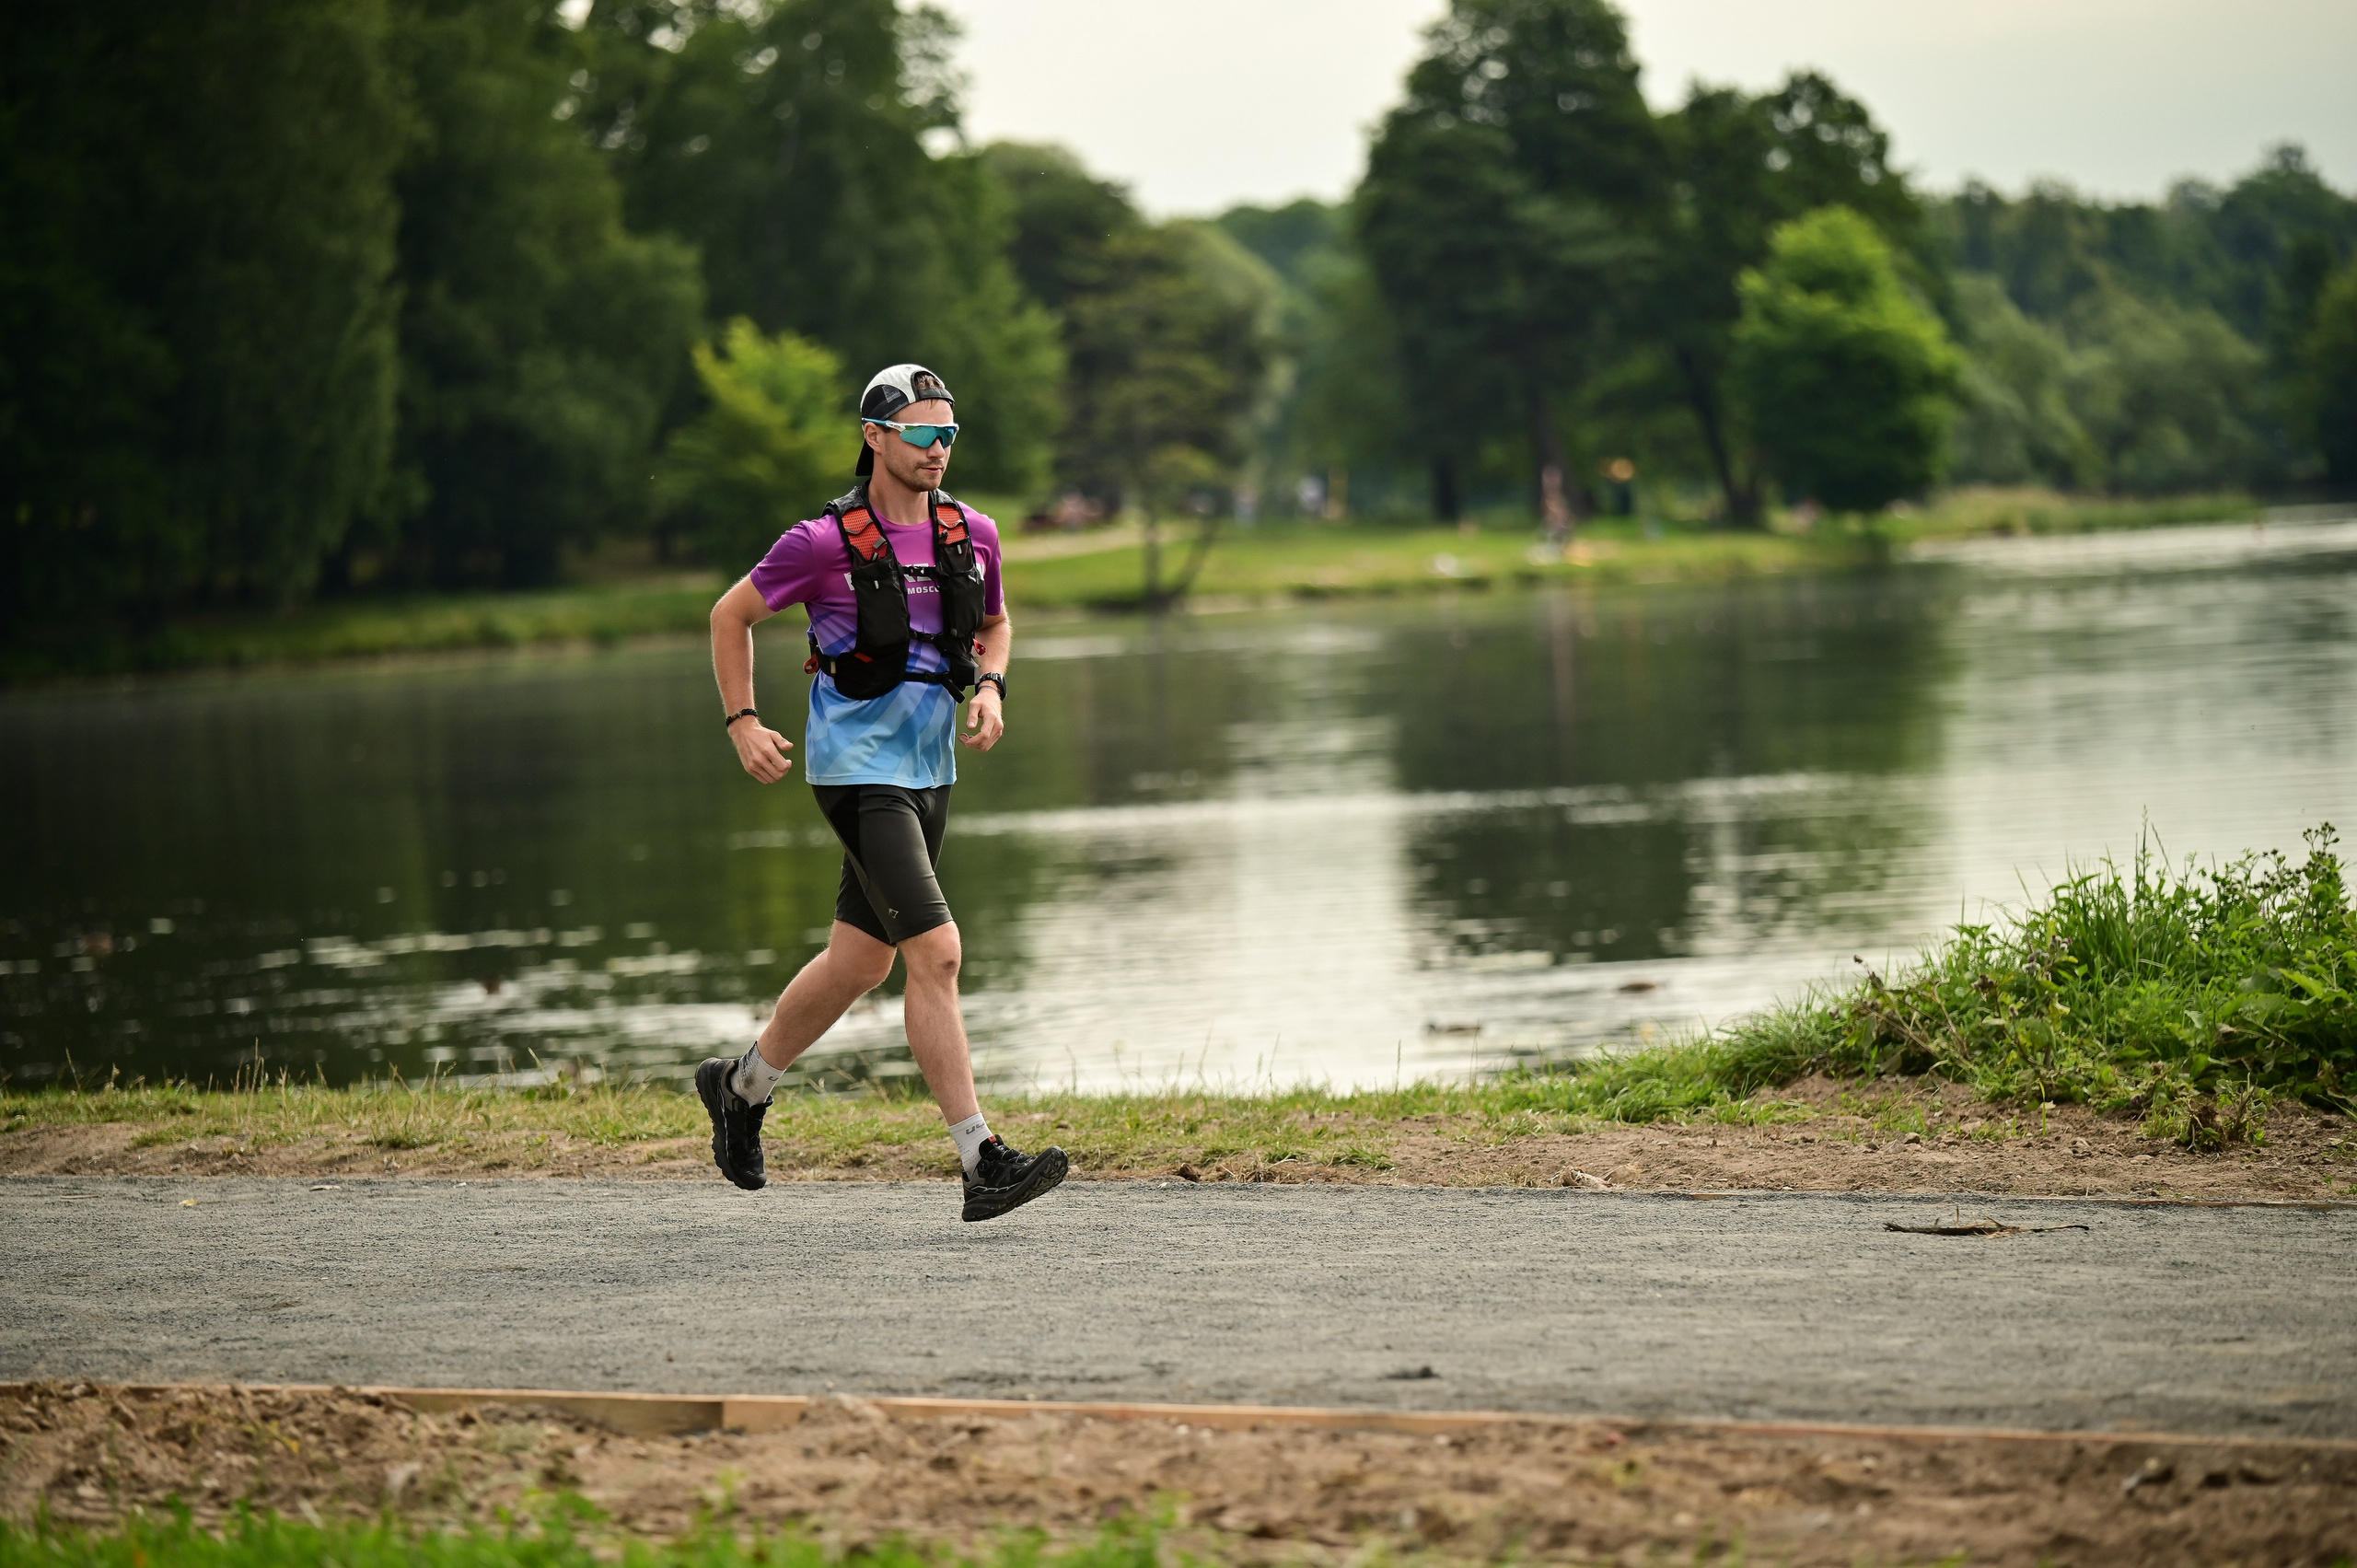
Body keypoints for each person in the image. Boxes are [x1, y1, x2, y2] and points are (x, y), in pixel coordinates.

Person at [698, 364, 1067, 1222]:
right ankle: (981, 1159)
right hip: (857, 774)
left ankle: (741, 1087)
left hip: (931, 769)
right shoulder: (821, 543)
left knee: (861, 961)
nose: (939, 450)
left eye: (949, 436)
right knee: (935, 952)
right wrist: (743, 720)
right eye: (922, 434)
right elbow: (730, 615)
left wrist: (991, 687)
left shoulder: (973, 531)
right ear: (875, 437)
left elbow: (995, 624)